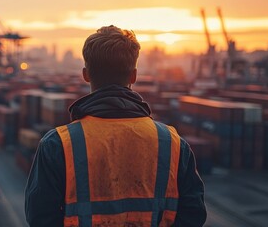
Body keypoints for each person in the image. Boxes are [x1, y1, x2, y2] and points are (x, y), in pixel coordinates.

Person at [25, 25, 206, 227]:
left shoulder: (58, 144)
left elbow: (40, 218)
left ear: (86, 74)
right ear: (134, 76)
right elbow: (194, 214)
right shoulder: (173, 144)